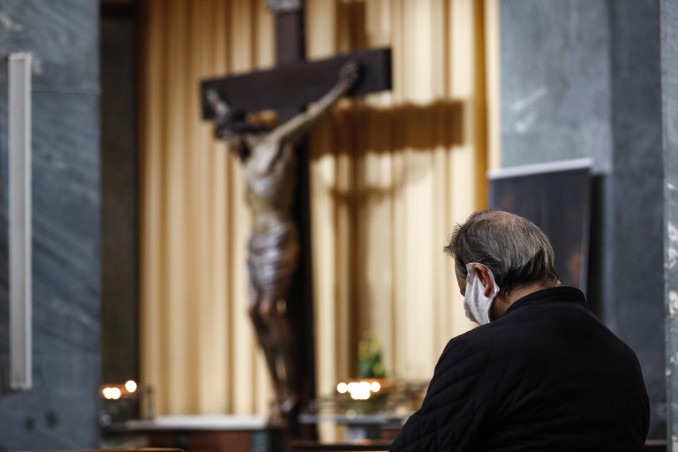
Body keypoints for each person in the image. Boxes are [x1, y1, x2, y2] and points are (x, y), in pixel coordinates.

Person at [390, 209, 649, 452]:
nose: (468, 308)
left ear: (482, 277)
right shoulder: (622, 355)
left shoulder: (480, 351)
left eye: (464, 292)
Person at [208, 61, 360, 425]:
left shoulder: (277, 144)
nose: (228, 145)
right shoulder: (244, 158)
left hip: (279, 234)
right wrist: (214, 99)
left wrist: (342, 86)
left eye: (228, 137)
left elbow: (315, 116)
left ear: (239, 131)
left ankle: (291, 383)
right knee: (250, 311)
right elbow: (221, 113)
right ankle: (276, 387)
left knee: (267, 311)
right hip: (256, 240)